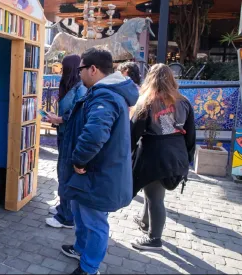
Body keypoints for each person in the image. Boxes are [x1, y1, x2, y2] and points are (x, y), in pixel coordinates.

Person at [58, 48, 139, 275]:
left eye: (81, 68)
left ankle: (89, 267)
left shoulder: (105, 95)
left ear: (93, 69)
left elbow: (95, 134)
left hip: (96, 173)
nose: (79, 73)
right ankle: (81, 249)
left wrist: (79, 160)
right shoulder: (102, 93)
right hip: (93, 172)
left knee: (94, 222)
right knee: (82, 213)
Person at [130, 64, 195, 250]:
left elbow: (133, 133)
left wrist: (126, 155)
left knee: (155, 197)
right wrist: (187, 159)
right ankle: (145, 221)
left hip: (155, 155)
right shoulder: (184, 102)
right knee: (153, 193)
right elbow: (191, 135)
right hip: (177, 152)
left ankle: (154, 239)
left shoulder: (146, 103)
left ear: (150, 79)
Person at [45, 55, 87, 229]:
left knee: (65, 173)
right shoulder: (72, 86)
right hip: (64, 134)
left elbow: (78, 112)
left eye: (63, 68)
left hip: (71, 136)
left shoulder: (81, 88)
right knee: (62, 171)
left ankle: (66, 216)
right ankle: (64, 207)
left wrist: (60, 119)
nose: (61, 72)